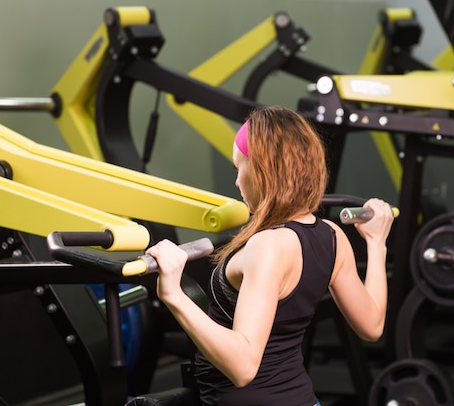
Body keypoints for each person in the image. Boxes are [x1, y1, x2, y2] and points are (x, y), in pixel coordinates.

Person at [146, 105, 394, 406]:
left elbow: (243, 367)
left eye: (241, 166)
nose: (237, 181)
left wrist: (173, 294)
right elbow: (372, 326)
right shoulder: (332, 235)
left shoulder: (268, 246)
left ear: (265, 170)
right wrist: (376, 243)